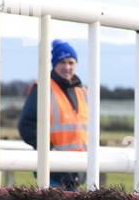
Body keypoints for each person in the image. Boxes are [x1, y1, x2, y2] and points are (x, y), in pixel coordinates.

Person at [18, 39, 88, 189]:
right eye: (62, 62)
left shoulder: (82, 91)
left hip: (77, 172)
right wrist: (48, 148)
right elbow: (26, 125)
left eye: (71, 62)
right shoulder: (43, 88)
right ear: (54, 64)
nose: (67, 67)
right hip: (53, 173)